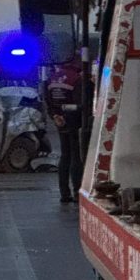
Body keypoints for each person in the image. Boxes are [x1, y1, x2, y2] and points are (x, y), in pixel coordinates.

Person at [44, 62, 83, 203]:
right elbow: (81, 104)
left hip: (59, 122)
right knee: (75, 157)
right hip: (74, 122)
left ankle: (64, 194)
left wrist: (55, 116)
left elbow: (48, 102)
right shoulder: (76, 79)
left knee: (64, 156)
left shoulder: (51, 79)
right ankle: (78, 192)